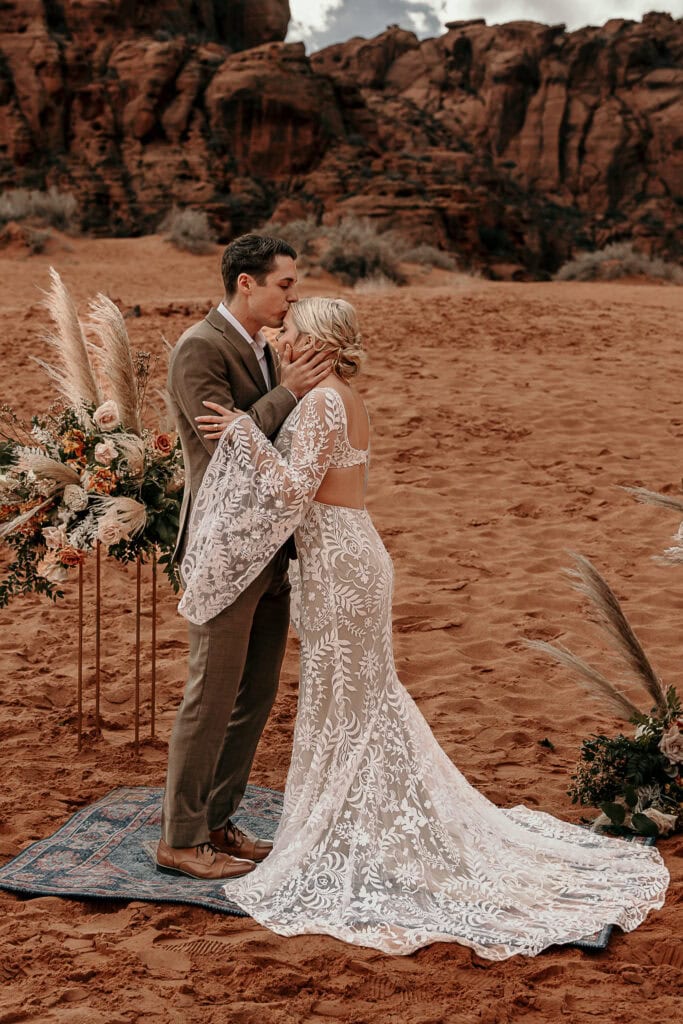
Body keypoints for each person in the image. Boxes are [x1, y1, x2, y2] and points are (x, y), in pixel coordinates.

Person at [179, 297, 669, 958]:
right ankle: (355, 825)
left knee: (355, 705)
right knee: (352, 705)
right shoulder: (332, 397)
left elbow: (295, 490)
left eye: (290, 331)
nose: (279, 336)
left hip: (344, 570)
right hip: (336, 564)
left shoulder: (324, 402)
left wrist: (241, 433)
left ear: (319, 344)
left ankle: (361, 834)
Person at [157, 235, 332, 881]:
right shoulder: (200, 349)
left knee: (253, 697)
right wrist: (286, 391)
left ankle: (220, 821)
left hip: (273, 545)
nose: (293, 295)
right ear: (246, 284)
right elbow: (224, 452)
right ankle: (179, 839)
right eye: (285, 284)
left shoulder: (262, 346)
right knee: (210, 695)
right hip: (224, 546)